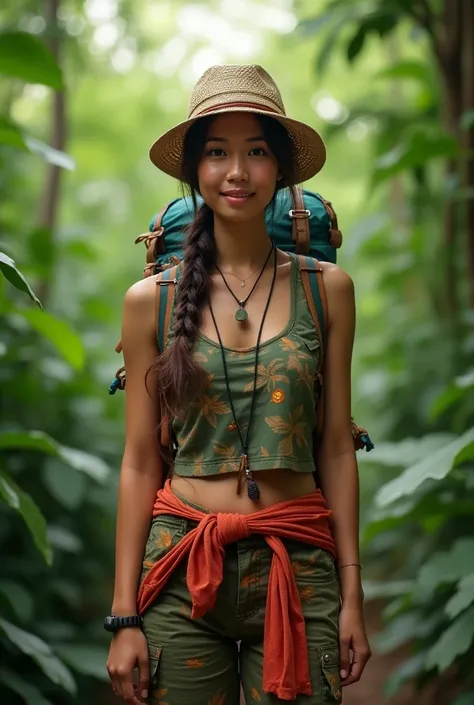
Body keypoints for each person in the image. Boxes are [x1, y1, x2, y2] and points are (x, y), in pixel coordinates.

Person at [106, 64, 371, 705]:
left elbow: (335, 446)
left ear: (281, 170)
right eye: (217, 152)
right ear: (195, 170)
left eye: (256, 151)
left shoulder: (326, 289)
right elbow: (141, 461)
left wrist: (353, 592)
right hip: (182, 566)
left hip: (299, 565)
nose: (237, 172)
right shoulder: (151, 302)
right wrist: (124, 616)